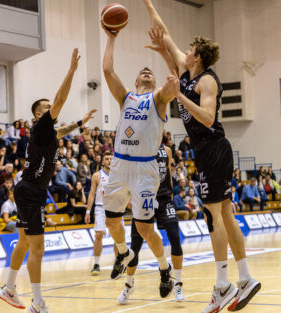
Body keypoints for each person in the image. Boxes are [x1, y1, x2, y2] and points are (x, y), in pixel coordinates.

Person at [143, 2, 261, 310]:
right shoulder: (184, 72)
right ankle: (245, 277)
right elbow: (165, 33)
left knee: (212, 214)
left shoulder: (206, 80)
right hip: (207, 150)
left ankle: (223, 284)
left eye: (190, 48)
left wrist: (179, 95)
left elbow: (209, 118)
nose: (185, 49)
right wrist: (148, 4)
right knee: (225, 212)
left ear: (198, 56)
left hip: (213, 146)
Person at [0, 48, 96, 313]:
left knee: (25, 243)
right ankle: (38, 303)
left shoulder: (47, 131)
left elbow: (61, 129)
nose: (52, 109)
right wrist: (72, 71)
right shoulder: (41, 126)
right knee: (37, 249)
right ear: (39, 115)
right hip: (31, 192)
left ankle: (8, 287)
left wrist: (80, 122)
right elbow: (60, 99)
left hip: (30, 190)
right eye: (47, 108)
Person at [101, 21, 177, 299]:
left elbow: (176, 82)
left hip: (145, 169)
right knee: (111, 223)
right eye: (142, 72)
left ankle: (164, 267)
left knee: (145, 229)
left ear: (155, 83)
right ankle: (123, 253)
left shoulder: (159, 99)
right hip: (120, 165)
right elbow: (107, 70)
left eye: (151, 72)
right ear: (135, 82)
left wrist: (164, 54)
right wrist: (111, 37)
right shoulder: (126, 98)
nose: (146, 72)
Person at [118, 143, 185, 303]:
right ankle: (129, 285)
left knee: (175, 237)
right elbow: (131, 174)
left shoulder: (167, 150)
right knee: (136, 245)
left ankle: (178, 283)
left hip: (163, 199)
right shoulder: (139, 147)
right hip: (144, 198)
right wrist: (129, 197)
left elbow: (168, 173)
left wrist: (169, 197)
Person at [84, 151, 112, 276]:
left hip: (115, 208)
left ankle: (118, 262)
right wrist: (88, 211)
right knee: (98, 235)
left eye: (111, 159)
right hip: (100, 208)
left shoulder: (119, 175)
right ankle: (96, 263)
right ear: (102, 162)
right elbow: (91, 194)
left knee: (118, 237)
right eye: (107, 159)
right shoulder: (97, 175)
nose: (109, 161)